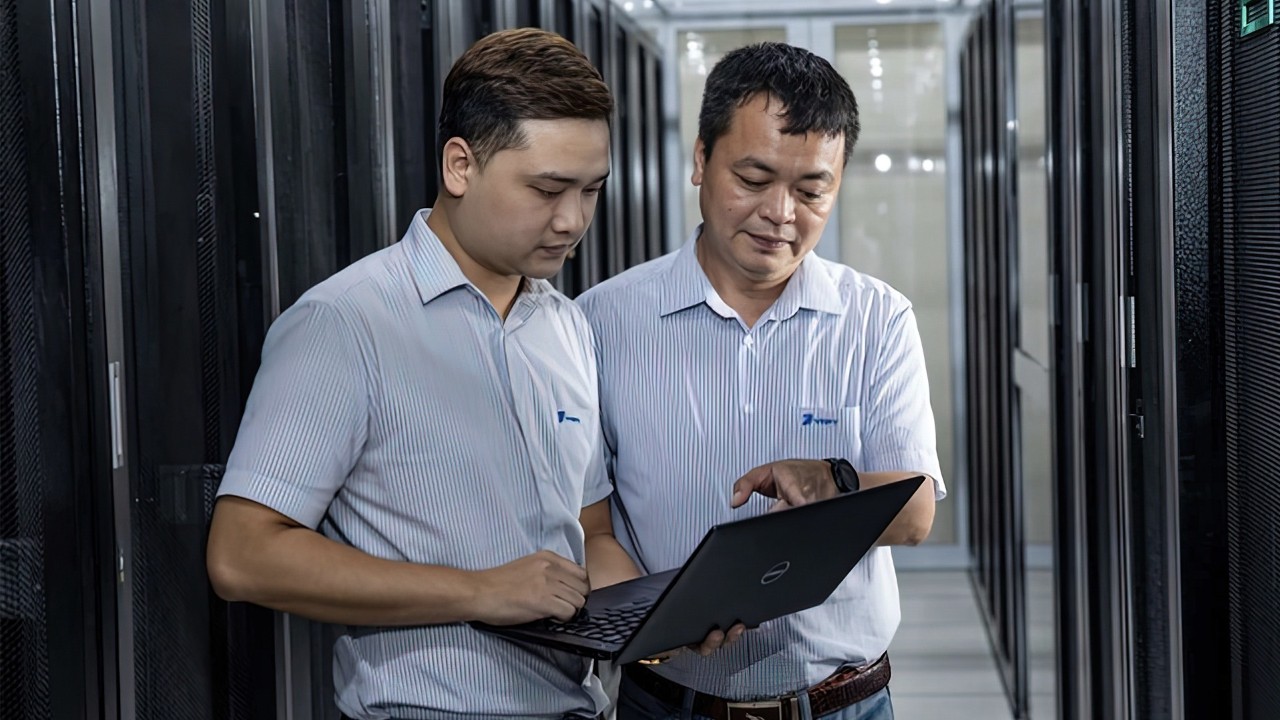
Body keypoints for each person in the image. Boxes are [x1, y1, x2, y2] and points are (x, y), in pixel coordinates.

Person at [206, 28, 641, 720]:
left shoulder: (567, 326)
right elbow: (242, 555)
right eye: (548, 188)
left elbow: (589, 530)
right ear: (460, 166)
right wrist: (478, 591)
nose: (571, 221)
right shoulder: (345, 324)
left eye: (591, 190)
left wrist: (654, 618)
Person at [577, 42, 946, 720]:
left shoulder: (875, 318)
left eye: (811, 191)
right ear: (699, 160)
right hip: (667, 703)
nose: (781, 213)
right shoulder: (601, 321)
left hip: (843, 704)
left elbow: (916, 510)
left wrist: (833, 482)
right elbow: (590, 523)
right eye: (754, 178)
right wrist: (648, 613)